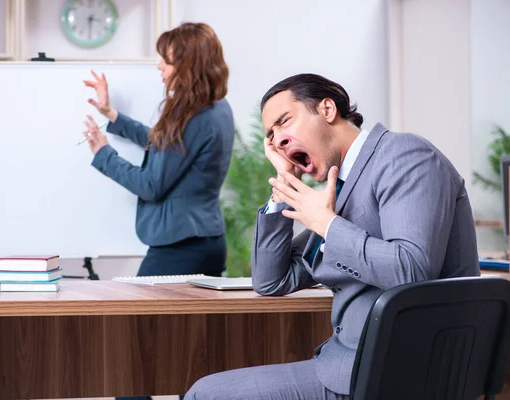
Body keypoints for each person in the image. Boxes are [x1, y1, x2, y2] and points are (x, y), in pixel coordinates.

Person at [184, 73, 480, 400]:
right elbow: (271, 281)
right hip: (352, 366)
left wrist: (327, 225)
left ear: (327, 109)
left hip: (400, 373)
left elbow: (412, 271)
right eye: (270, 134)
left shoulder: (404, 155)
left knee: (205, 395)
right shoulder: (337, 191)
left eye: (284, 122)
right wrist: (283, 185)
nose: (277, 140)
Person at [82, 22, 234, 400]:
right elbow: (162, 144)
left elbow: (151, 183)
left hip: (179, 246)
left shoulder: (195, 116)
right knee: (188, 353)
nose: (159, 69)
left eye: (165, 61)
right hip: (204, 241)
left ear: (187, 63)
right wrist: (113, 116)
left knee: (130, 350)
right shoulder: (213, 109)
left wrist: (103, 153)